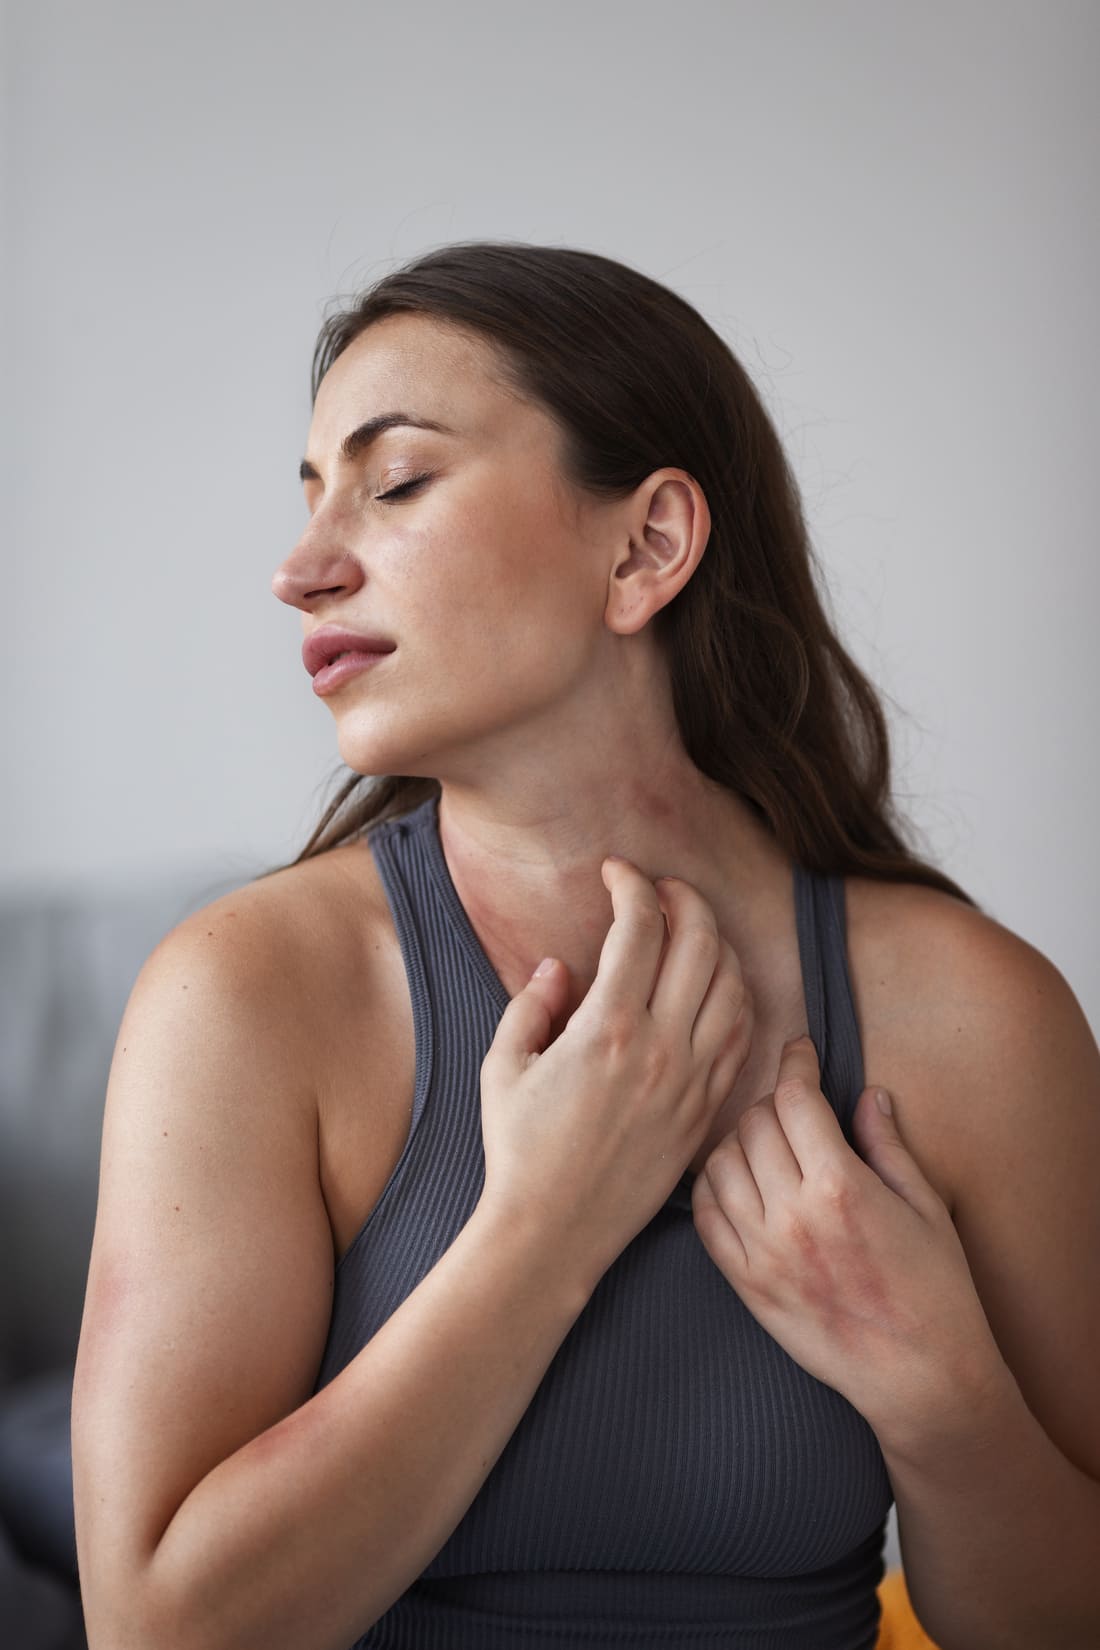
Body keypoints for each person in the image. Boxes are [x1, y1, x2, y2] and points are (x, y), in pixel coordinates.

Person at [71, 242, 1100, 1650]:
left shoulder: (976, 1018)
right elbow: (160, 1629)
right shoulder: (244, 999)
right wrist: (544, 1227)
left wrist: (938, 1389)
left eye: (397, 481)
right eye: (311, 499)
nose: (301, 570)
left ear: (647, 546)